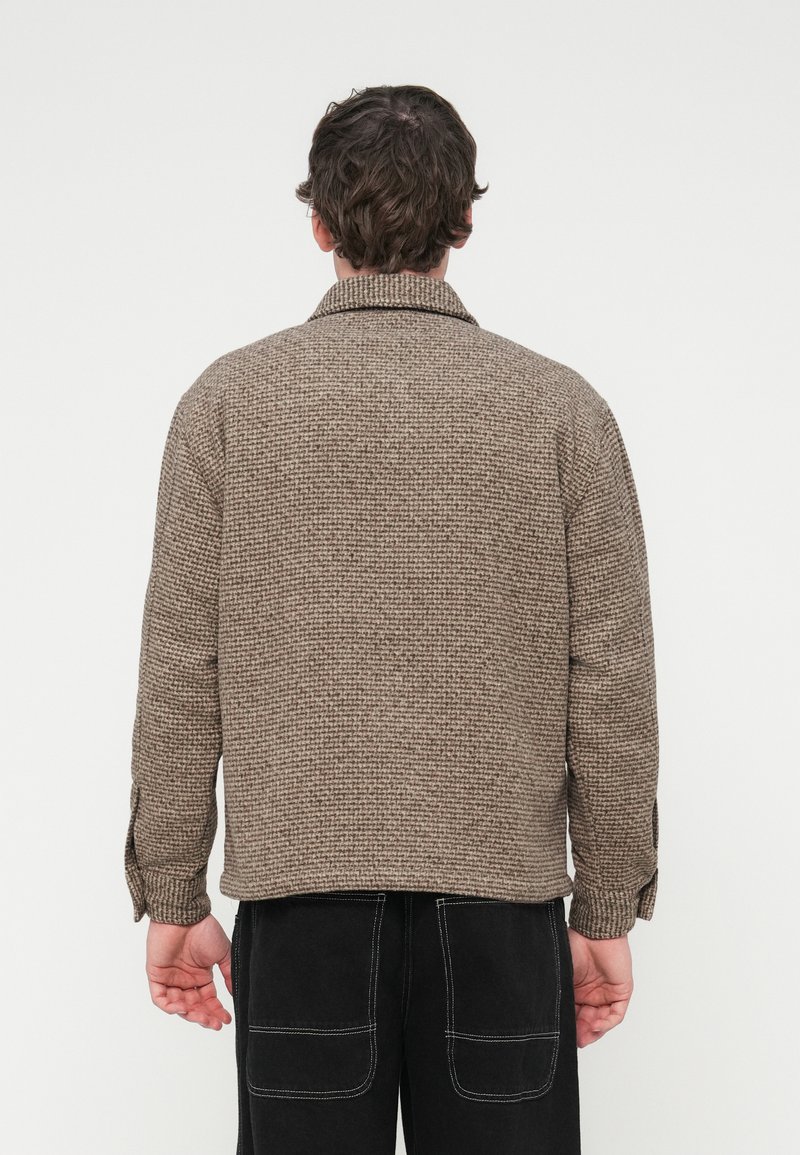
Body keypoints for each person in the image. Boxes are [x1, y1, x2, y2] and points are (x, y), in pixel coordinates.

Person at [124, 84, 659, 1155]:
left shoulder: (227, 404)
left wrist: (173, 892)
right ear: (464, 221)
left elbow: (183, 667)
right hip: (501, 917)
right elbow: (609, 681)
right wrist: (604, 908)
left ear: (319, 223)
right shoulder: (562, 411)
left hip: (300, 913)